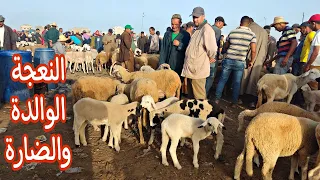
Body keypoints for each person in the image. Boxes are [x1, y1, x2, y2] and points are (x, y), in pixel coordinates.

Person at [215, 16, 257, 107]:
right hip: (240, 61)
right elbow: (253, 50)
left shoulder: (232, 32)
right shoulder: (252, 34)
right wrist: (252, 61)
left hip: (229, 59)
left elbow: (226, 45)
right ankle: (234, 102)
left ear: (240, 22)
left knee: (222, 80)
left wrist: (225, 50)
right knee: (237, 82)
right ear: (249, 23)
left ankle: (217, 99)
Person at [181, 7, 217, 100]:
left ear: (203, 16)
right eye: (193, 17)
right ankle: (192, 115)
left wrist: (211, 57)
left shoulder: (207, 29)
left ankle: (202, 115)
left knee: (199, 99)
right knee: (191, 98)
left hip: (198, 70)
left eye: (197, 17)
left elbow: (212, 48)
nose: (195, 19)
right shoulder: (197, 30)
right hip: (192, 69)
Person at [240, 17, 268, 107]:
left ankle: (240, 98)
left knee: (243, 78)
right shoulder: (264, 32)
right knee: (254, 80)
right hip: (260, 58)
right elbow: (265, 48)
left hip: (248, 57)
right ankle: (252, 101)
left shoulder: (249, 28)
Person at [159, 14, 191, 80]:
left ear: (180, 23)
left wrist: (180, 45)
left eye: (176, 24)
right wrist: (161, 64)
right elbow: (163, 51)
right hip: (167, 66)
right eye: (172, 24)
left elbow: (188, 50)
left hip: (179, 66)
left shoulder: (185, 35)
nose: (173, 26)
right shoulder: (167, 34)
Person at [205, 16, 227, 95]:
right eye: (222, 25)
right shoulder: (217, 30)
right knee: (211, 76)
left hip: (204, 56)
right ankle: (205, 94)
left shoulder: (208, 28)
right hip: (212, 57)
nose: (222, 27)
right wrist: (214, 56)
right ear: (219, 22)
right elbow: (215, 45)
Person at [304, 14, 320, 90]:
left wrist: (308, 65)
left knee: (313, 87)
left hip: (315, 65)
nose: (310, 26)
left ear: (313, 23)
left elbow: (316, 52)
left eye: (310, 24)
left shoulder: (318, 34)